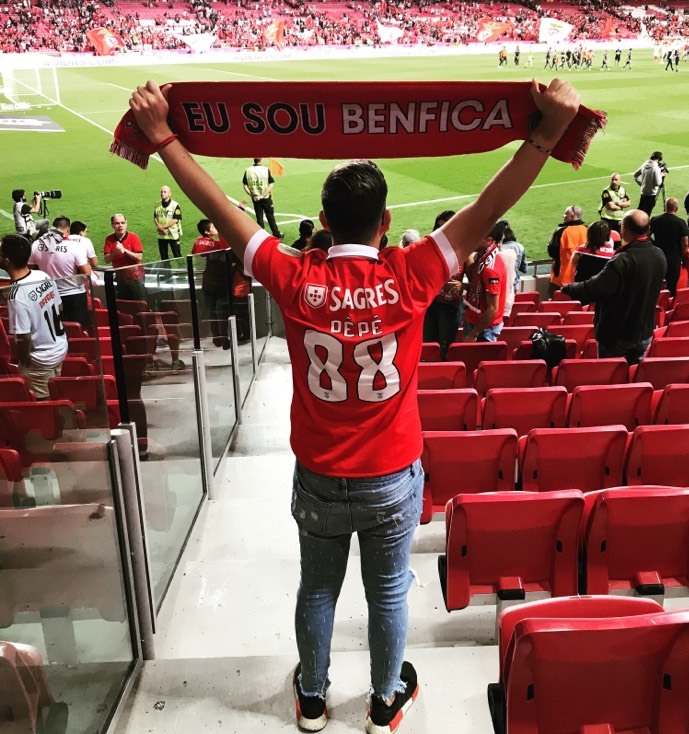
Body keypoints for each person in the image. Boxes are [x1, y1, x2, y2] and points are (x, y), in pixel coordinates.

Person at [128, 75, 580, 734]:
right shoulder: (414, 272)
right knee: (389, 590)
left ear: (326, 217)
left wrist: (163, 137)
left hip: (318, 475)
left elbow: (223, 209)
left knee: (317, 587)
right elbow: (487, 207)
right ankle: (382, 701)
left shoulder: (292, 275)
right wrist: (545, 135)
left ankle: (311, 699)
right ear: (386, 222)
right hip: (391, 476)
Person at [560, 210, 666, 364]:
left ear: (625, 229)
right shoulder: (659, 254)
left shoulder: (622, 260)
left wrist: (569, 288)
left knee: (608, 373)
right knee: (634, 373)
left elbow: (596, 287)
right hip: (644, 331)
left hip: (617, 333)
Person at [0, 233, 68, 399]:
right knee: (57, 396)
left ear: (6, 261)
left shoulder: (16, 295)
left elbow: (23, 337)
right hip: (59, 347)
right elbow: (59, 305)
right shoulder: (42, 276)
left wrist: (23, 360)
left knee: (43, 405)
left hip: (40, 360)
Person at [28, 216, 91, 328]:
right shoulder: (75, 246)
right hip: (74, 295)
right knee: (78, 330)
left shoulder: (37, 244)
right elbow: (87, 273)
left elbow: (31, 270)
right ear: (67, 230)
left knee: (55, 329)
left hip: (48, 295)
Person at [423, 211, 463, 359]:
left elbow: (474, 279)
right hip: (431, 303)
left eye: (446, 226)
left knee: (445, 346)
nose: (442, 231)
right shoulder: (429, 246)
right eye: (439, 227)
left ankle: (442, 373)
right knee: (428, 343)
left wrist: (462, 285)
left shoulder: (463, 248)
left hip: (450, 306)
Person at [463, 228, 507, 341]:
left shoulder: (490, 268)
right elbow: (480, 289)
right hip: (475, 320)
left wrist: (474, 334)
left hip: (484, 329)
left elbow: (493, 308)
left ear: (489, 240)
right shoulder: (483, 257)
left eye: (476, 239)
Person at [650, 196, 689, 297]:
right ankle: (670, 308)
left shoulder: (655, 220)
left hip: (658, 256)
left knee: (656, 284)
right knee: (672, 286)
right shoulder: (681, 222)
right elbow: (685, 243)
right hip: (674, 258)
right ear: (676, 209)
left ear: (665, 206)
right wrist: (681, 255)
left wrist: (654, 244)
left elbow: (646, 235)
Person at [103, 213, 147, 301]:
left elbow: (139, 257)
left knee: (140, 305)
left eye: (122, 223)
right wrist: (115, 252)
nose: (120, 226)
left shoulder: (134, 237)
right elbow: (106, 259)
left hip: (136, 279)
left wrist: (125, 250)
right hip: (121, 279)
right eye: (117, 223)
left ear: (126, 224)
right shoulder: (109, 239)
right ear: (112, 225)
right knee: (124, 305)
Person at [547, 205, 587, 293]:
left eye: (566, 214)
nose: (563, 216)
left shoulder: (561, 231)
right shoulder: (586, 230)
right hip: (580, 279)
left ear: (572, 216)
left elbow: (552, 252)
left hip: (562, 278)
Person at [243, 158, 283, 239]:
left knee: (259, 217)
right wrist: (262, 195)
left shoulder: (248, 170)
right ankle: (276, 233)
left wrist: (252, 195)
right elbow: (271, 184)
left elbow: (245, 185)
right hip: (266, 197)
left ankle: (261, 236)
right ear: (261, 160)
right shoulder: (265, 170)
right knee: (270, 216)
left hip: (255, 198)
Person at [154, 185, 183, 261]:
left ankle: (181, 271)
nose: (162, 193)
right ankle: (167, 272)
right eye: (161, 192)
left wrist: (163, 227)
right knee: (163, 256)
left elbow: (175, 219)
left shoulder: (175, 205)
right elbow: (155, 217)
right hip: (162, 235)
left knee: (177, 255)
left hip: (173, 234)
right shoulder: (157, 204)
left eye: (164, 192)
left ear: (169, 194)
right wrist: (160, 227)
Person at [633, 151, 665, 217]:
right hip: (651, 194)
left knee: (640, 212)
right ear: (659, 159)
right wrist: (661, 175)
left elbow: (635, 175)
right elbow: (658, 183)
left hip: (643, 193)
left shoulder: (645, 164)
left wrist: (642, 184)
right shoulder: (656, 168)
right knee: (647, 214)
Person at [501, 222, 527, 292]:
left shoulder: (498, 248)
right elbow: (524, 268)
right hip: (514, 285)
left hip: (501, 285)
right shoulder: (520, 247)